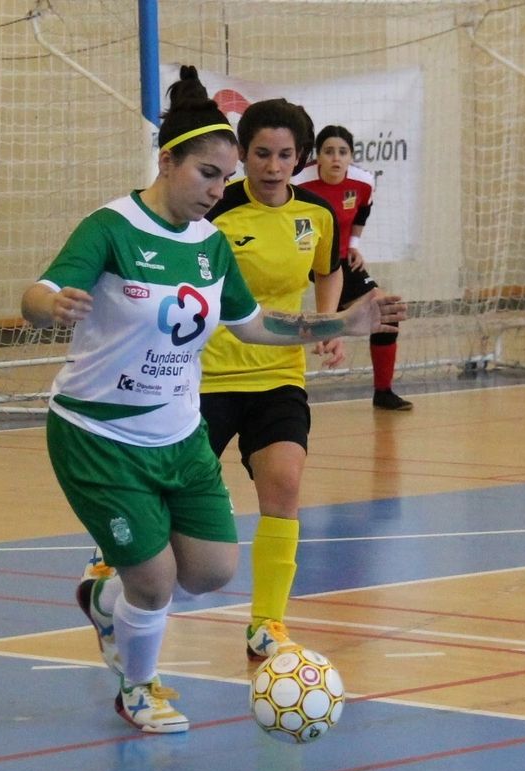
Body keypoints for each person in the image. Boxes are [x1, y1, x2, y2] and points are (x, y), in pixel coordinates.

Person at [23, 66, 403, 734]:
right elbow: (38, 292)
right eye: (205, 173)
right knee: (156, 581)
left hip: (177, 436)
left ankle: (104, 598)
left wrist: (344, 322)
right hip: (100, 434)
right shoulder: (111, 228)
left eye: (222, 178)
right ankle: (137, 687)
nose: (215, 189)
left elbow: (255, 323)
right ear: (167, 161)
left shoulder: (208, 244)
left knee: (210, 569)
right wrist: (50, 305)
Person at [199, 97, 345, 663]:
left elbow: (326, 271)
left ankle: (267, 623)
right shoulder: (214, 211)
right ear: (242, 154)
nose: (272, 165)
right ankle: (113, 563)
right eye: (261, 153)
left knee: (284, 483)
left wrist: (328, 325)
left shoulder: (317, 216)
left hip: (280, 373)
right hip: (206, 377)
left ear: (300, 158)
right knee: (176, 493)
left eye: (285, 155)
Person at [295, 125, 413, 410]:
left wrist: (354, 244)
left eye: (343, 152)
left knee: (385, 311)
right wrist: (307, 256)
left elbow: (362, 211)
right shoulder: (299, 182)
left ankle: (383, 392)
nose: (336, 158)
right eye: (329, 152)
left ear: (351, 156)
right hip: (302, 252)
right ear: (317, 157)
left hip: (338, 255)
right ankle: (330, 330)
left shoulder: (363, 181)